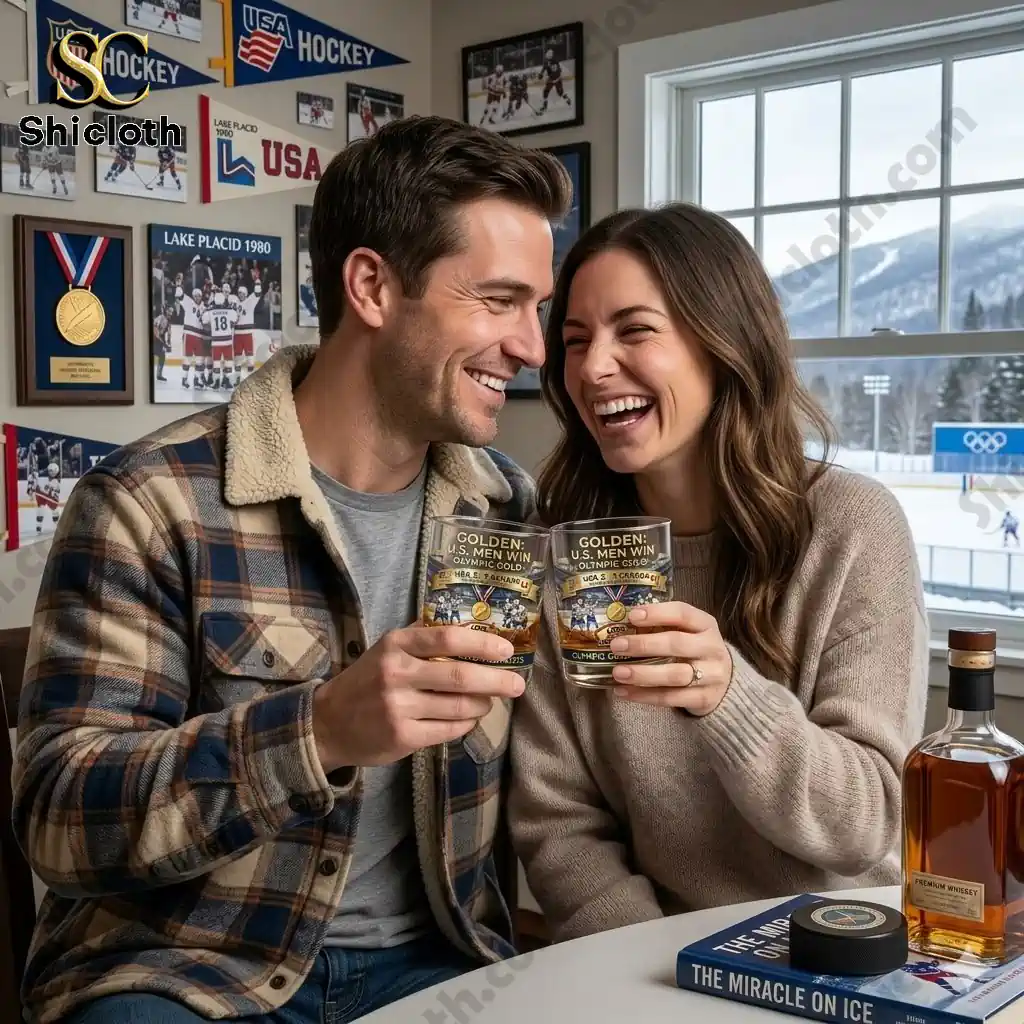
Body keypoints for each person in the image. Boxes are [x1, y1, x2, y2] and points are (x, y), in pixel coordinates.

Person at [13, 115, 572, 1024]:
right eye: (500, 301)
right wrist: (316, 731)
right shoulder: (150, 503)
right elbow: (61, 820)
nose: (533, 347)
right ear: (372, 287)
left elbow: (567, 774)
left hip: (443, 969)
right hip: (182, 974)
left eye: (537, 309)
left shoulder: (507, 507)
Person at [508, 203, 930, 942]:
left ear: (723, 342)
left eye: (634, 330)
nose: (595, 367)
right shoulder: (562, 549)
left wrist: (729, 697)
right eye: (575, 341)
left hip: (832, 949)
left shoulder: (854, 527)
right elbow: (559, 823)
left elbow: (868, 821)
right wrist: (650, 968)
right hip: (641, 963)